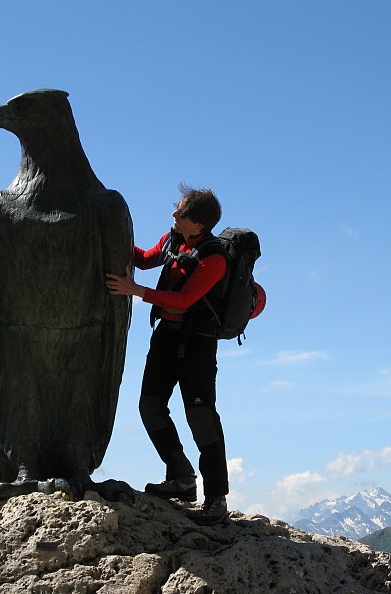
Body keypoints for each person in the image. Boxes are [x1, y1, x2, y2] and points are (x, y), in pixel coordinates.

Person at [106, 184, 229, 525]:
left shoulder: (214, 257)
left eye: (182, 213)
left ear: (200, 224)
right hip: (166, 337)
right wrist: (107, 232)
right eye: (176, 208)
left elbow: (183, 300)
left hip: (198, 344)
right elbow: (145, 259)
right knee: (150, 406)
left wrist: (135, 291)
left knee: (200, 416)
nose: (174, 214)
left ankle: (216, 497)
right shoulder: (174, 238)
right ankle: (181, 478)